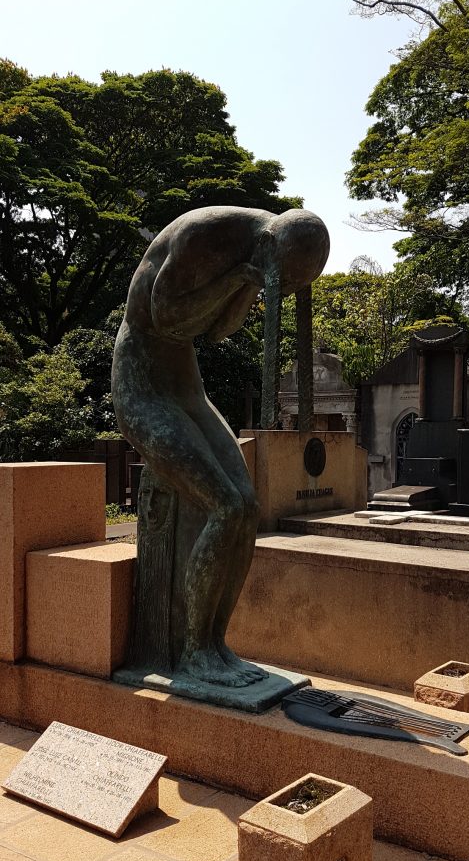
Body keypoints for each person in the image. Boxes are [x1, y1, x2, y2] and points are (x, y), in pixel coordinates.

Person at [112, 205, 330, 688]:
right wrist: (238, 278)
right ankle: (193, 653)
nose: (286, 291)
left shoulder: (252, 256)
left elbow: (215, 331)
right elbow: (166, 318)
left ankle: (216, 644)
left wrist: (248, 283)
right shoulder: (202, 234)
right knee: (224, 506)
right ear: (272, 246)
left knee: (247, 507)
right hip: (142, 390)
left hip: (187, 390)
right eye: (285, 281)